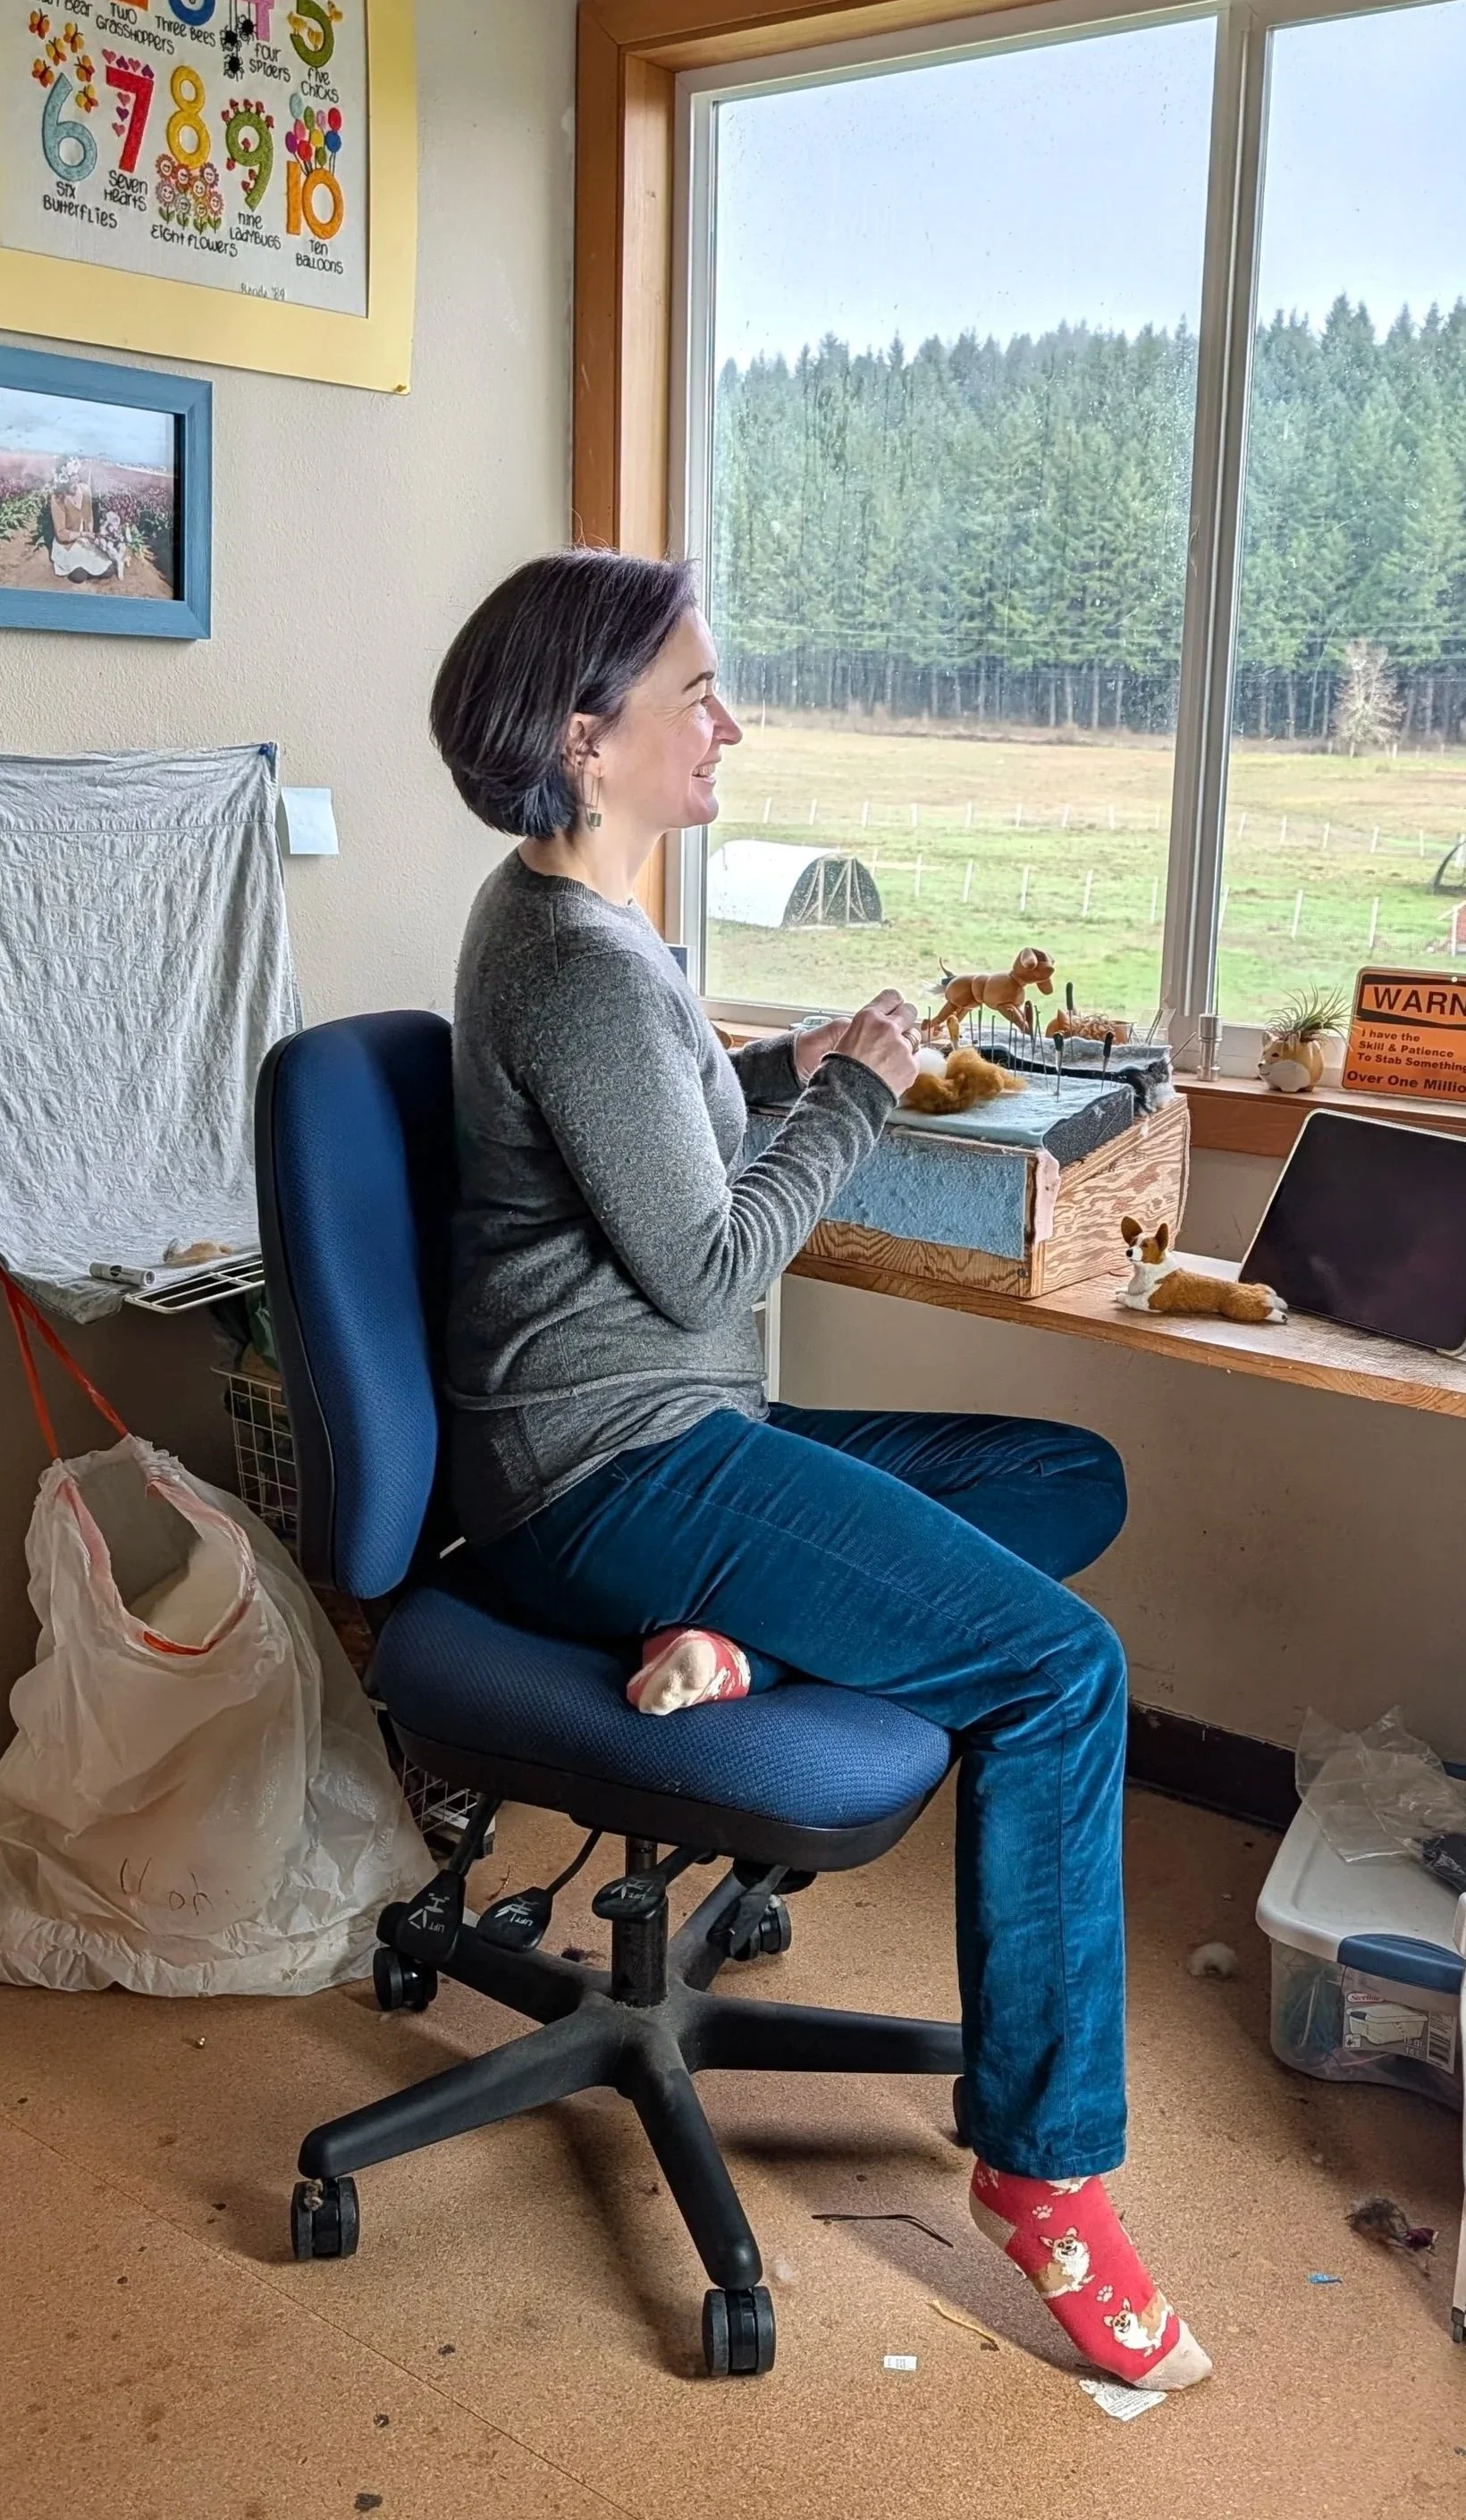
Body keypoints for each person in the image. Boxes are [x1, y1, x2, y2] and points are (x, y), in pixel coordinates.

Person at [432, 549, 1209, 2394]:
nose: (728, 720)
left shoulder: (584, 926)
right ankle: (1046, 2169)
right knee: (1055, 1668)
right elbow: (704, 1263)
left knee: (1062, 1475)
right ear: (581, 731)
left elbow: (663, 1118)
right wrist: (853, 1099)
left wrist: (804, 1054)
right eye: (692, 692)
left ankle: (731, 1637)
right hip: (607, 1472)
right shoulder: (573, 963)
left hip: (683, 1447)